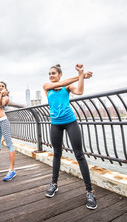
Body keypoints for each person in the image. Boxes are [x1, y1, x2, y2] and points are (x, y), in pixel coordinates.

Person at [43, 63, 97, 210]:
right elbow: (60, 83)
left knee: (79, 155)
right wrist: (80, 75)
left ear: (60, 74)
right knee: (56, 154)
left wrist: (81, 75)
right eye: (50, 74)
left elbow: (79, 91)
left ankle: (89, 191)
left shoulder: (67, 87)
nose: (51, 76)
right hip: (55, 124)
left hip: (71, 123)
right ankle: (54, 184)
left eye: (53, 73)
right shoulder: (46, 86)